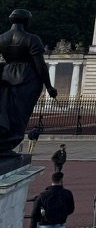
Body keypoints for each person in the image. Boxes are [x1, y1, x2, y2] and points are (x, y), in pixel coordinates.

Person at [0, 9, 58, 160]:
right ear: (26, 21)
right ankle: (8, 143)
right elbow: (41, 66)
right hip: (27, 78)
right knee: (20, 115)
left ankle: (4, 142)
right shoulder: (31, 39)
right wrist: (49, 86)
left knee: (6, 111)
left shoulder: (1, 38)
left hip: (6, 75)